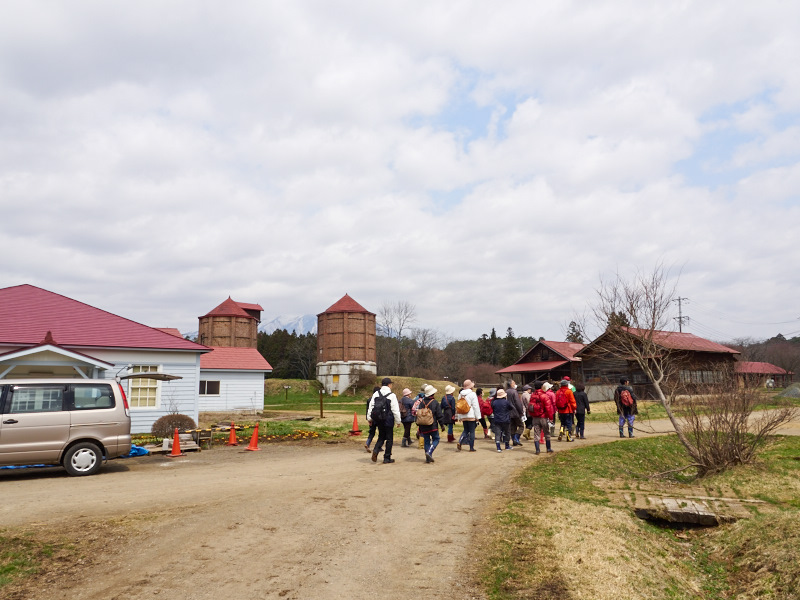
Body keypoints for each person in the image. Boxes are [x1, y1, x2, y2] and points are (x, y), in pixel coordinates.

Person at [366, 377, 402, 463]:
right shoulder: (392, 395)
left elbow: (371, 407)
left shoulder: (376, 394)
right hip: (388, 419)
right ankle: (387, 457)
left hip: (379, 419)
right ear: (389, 385)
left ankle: (375, 450)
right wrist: (398, 421)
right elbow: (395, 410)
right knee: (389, 439)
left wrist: (369, 419)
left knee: (381, 436)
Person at [417, 385, 444, 463]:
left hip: (423, 425)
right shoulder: (435, 402)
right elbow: (439, 415)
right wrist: (442, 424)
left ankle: (428, 458)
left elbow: (419, 414)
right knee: (436, 439)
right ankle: (430, 452)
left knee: (426, 440)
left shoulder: (421, 403)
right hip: (433, 425)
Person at [528, 382, 554, 454]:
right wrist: (551, 417)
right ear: (542, 386)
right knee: (546, 433)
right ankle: (548, 448)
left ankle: (537, 450)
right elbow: (548, 408)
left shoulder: (532, 395)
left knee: (536, 434)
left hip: (535, 417)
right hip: (543, 417)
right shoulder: (544, 395)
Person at [456, 380, 481, 452]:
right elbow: (475, 406)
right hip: (471, 415)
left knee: (465, 430)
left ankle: (460, 441)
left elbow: (459, 406)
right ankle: (471, 447)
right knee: (472, 431)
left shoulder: (460, 394)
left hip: (463, 415)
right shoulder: (472, 394)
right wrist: (478, 417)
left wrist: (459, 417)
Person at [505, 379, 525, 446]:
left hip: (508, 412)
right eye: (514, 383)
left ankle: (514, 440)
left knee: (513, 427)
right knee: (521, 426)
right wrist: (521, 411)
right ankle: (516, 438)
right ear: (511, 384)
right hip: (515, 411)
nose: (515, 384)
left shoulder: (506, 391)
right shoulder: (514, 392)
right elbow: (517, 403)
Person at [364, 385, 381, 452]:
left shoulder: (369, 400)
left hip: (371, 418)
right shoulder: (379, 399)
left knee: (372, 432)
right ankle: (379, 446)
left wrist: (368, 419)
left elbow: (368, 410)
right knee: (381, 433)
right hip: (378, 418)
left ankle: (367, 443)